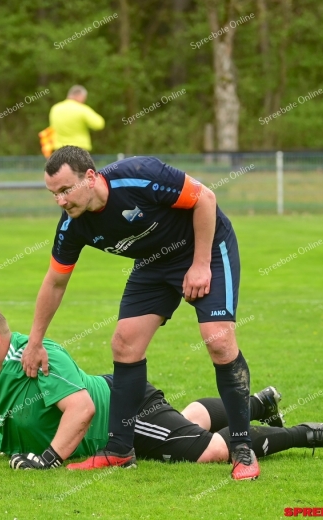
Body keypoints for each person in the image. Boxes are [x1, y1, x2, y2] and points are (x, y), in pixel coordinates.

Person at [21, 145, 260, 479]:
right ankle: (119, 450)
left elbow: (205, 198)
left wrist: (201, 264)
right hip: (154, 264)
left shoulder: (139, 176)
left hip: (205, 246)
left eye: (65, 190)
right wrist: (35, 341)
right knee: (125, 343)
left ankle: (242, 448)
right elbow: (55, 283)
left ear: (90, 177)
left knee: (218, 341)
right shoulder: (72, 226)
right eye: (54, 194)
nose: (60, 201)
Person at [0, 306, 323, 469]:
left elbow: (81, 411)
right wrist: (6, 441)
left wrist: (47, 459)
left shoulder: (40, 355)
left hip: (123, 415)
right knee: (185, 422)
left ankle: (303, 434)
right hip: (127, 405)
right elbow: (13, 411)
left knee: (211, 450)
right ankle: (256, 404)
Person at [48, 86, 104, 152]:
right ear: (79, 96)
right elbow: (99, 124)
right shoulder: (82, 109)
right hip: (79, 149)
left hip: (59, 149)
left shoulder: (55, 108)